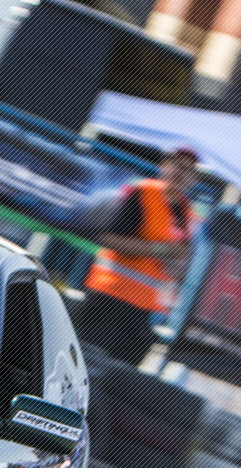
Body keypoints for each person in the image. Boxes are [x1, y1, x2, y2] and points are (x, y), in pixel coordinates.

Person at [76, 146, 199, 365]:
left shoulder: (186, 211)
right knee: (83, 364)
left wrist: (177, 267)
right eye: (178, 166)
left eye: (189, 170)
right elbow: (107, 238)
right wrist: (161, 250)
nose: (182, 173)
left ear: (194, 178)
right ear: (164, 165)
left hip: (145, 311)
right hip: (110, 299)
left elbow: (180, 260)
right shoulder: (143, 192)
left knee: (116, 377)